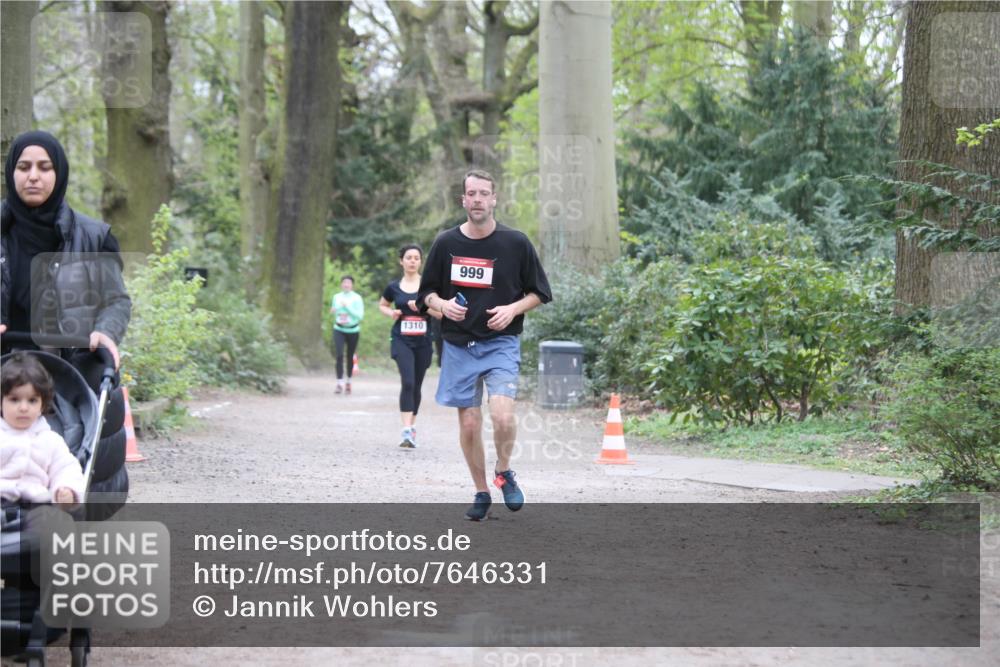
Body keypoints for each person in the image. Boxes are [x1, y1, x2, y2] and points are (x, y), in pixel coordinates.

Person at [419, 169, 552, 521]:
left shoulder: (516, 243)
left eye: (483, 193)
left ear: (494, 199)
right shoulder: (445, 243)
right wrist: (442, 305)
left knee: (503, 416)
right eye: (471, 194)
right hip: (458, 345)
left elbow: (540, 292)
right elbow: (425, 294)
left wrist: (512, 309)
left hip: (500, 343)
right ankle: (481, 491)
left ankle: (503, 471)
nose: (477, 199)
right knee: (469, 424)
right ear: (463, 200)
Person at [0, 130, 131, 371]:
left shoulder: (95, 238)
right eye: (24, 167)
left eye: (44, 167)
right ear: (11, 172)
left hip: (72, 371)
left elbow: (115, 300)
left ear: (59, 173)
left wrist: (106, 331)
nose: (33, 176)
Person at [0, 352, 85, 508]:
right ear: (1, 403)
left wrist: (66, 488)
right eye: (14, 399)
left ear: (42, 405)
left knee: (55, 519)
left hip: (36, 503)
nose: (23, 408)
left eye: (32, 400)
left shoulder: (50, 440)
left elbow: (66, 468)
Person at [379, 244, 442, 449]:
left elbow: (441, 314)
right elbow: (383, 305)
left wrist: (424, 307)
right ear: (401, 261)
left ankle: (412, 426)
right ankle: (406, 430)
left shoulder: (429, 288)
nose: (412, 261)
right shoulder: (393, 287)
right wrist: (392, 313)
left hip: (423, 341)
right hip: (401, 339)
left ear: (421, 262)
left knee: (416, 384)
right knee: (407, 382)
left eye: (416, 258)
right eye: (409, 257)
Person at [330, 275, 364, 394]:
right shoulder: (336, 297)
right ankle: (339, 383)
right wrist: (334, 311)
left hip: (353, 330)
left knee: (350, 356)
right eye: (344, 282)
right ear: (341, 284)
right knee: (339, 355)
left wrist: (347, 307)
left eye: (348, 283)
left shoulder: (357, 298)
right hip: (339, 329)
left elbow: (359, 316)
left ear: (352, 285)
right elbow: (334, 311)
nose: (346, 285)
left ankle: (348, 381)